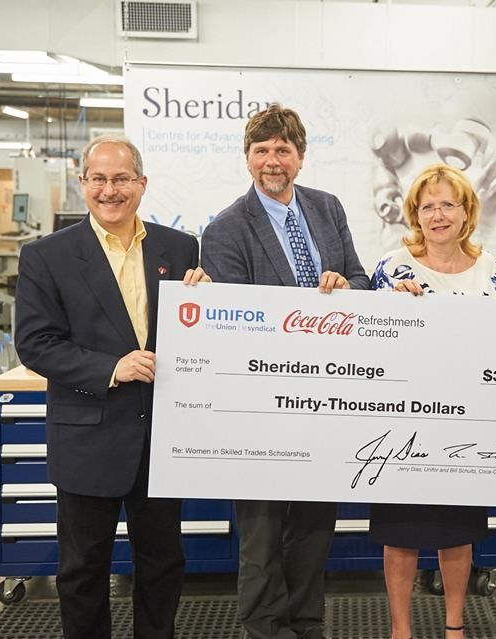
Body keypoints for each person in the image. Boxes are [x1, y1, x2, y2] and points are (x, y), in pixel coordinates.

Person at [15, 134, 210, 639]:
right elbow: (35, 343)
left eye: (121, 178)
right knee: (83, 569)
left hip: (159, 437)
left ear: (142, 183)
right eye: (98, 179)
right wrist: (111, 368)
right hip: (87, 434)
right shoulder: (47, 256)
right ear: (82, 184)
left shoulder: (179, 247)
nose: (110, 190)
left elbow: (190, 332)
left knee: (163, 563)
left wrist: (208, 308)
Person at [200, 103, 370, 639]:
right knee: (262, 532)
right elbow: (234, 325)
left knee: (315, 526)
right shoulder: (226, 229)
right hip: (260, 406)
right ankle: (266, 627)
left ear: (300, 157)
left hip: (326, 397)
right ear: (247, 158)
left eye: (283, 149)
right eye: (261, 150)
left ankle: (306, 622)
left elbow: (361, 279)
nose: (272, 160)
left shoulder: (327, 208)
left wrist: (345, 288)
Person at [369, 163, 496, 639]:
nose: (438, 214)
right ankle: (400, 630)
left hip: (466, 425)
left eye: (449, 204)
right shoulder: (392, 267)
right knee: (400, 533)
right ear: (415, 214)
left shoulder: (490, 270)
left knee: (457, 531)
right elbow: (368, 341)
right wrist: (392, 305)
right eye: (428, 206)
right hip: (401, 423)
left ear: (467, 212)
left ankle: (454, 626)